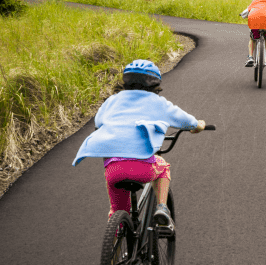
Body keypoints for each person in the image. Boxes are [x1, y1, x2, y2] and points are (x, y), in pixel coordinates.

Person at [72, 59, 205, 229]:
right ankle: (162, 209)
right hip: (142, 169)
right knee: (163, 167)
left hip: (114, 171)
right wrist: (198, 125)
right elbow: (185, 120)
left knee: (118, 212)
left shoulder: (112, 101)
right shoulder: (158, 102)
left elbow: (98, 123)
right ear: (155, 83)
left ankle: (114, 250)